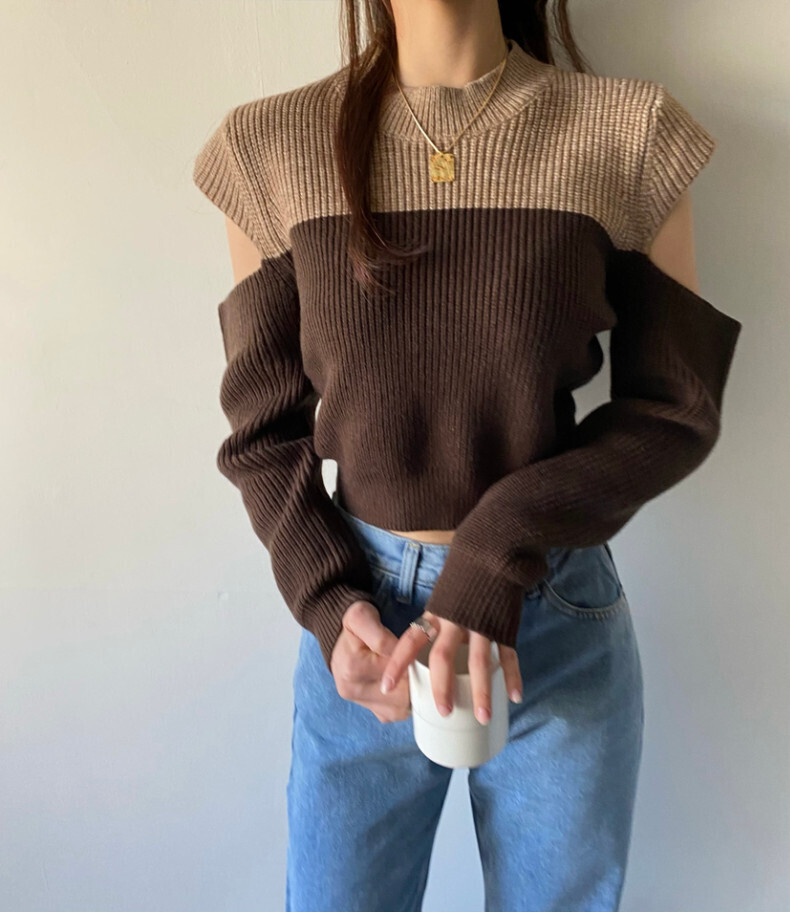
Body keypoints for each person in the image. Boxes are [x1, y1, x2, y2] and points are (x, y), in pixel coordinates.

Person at [192, 2, 742, 909]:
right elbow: (261, 432)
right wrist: (328, 600)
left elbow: (675, 409)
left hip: (552, 612)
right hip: (361, 630)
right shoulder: (270, 150)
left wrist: (498, 544)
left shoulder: (630, 135)